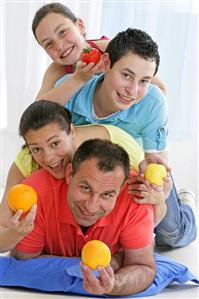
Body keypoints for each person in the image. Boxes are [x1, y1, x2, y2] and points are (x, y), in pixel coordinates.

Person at [54, 27, 197, 248]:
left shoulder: (152, 101)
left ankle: (185, 204)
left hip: (135, 170)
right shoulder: (71, 91)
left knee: (172, 235)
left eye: (144, 81)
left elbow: (157, 166)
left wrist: (158, 194)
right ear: (107, 63)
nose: (133, 90)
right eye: (127, 75)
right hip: (96, 176)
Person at [1, 100, 169, 253]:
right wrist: (13, 235)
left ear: (72, 131)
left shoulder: (113, 156)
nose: (48, 158)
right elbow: (3, 229)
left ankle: (186, 204)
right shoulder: (26, 162)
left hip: (156, 183)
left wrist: (159, 198)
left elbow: (149, 216)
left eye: (55, 143)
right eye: (36, 149)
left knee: (171, 232)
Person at [11, 139, 158, 296]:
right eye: (85, 188)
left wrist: (113, 284)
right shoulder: (35, 194)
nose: (91, 206)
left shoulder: (136, 198)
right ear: (69, 174)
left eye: (107, 194)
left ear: (121, 189)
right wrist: (115, 261)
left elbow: (144, 267)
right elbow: (25, 261)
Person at [32, 2, 166, 104]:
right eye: (49, 44)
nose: (59, 45)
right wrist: (78, 79)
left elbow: (160, 89)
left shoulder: (108, 49)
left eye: (62, 32)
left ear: (80, 26)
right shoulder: (57, 70)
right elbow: (35, 113)